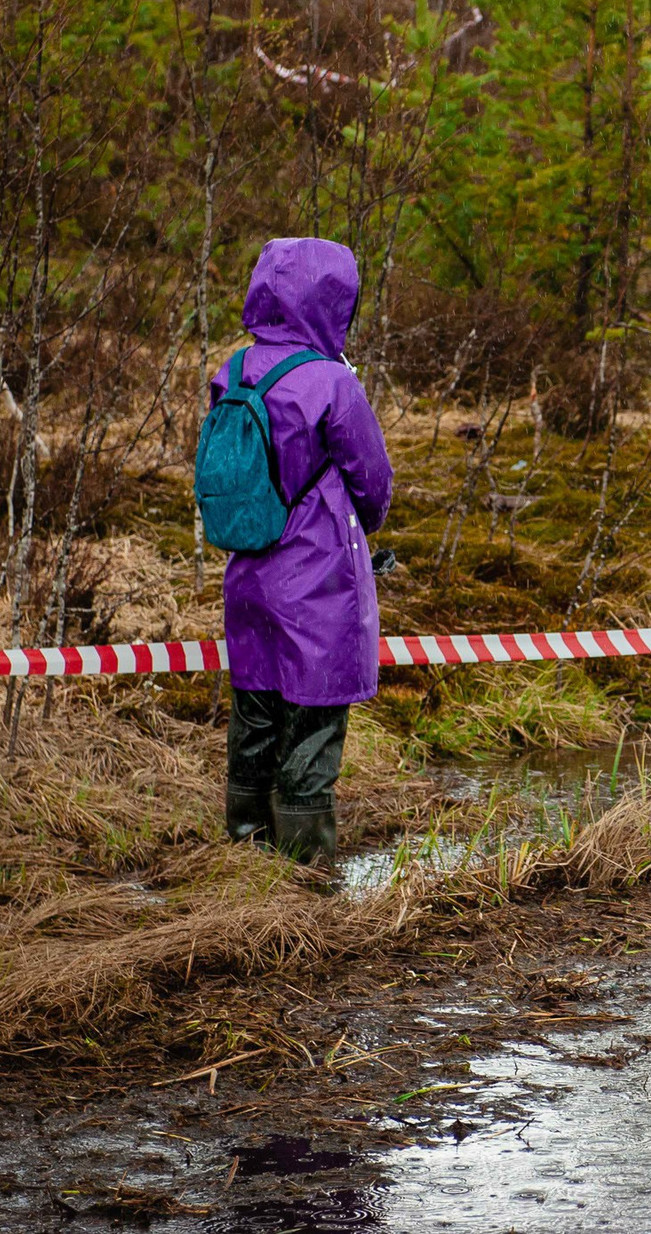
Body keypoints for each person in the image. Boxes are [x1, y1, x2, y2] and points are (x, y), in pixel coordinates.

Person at [213, 237, 394, 864]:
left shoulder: (232, 372)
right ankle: (306, 879)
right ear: (331, 301)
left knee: (255, 717)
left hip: (249, 575)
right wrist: (363, 529)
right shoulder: (331, 385)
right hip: (317, 579)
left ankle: (244, 858)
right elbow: (373, 480)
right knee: (312, 727)